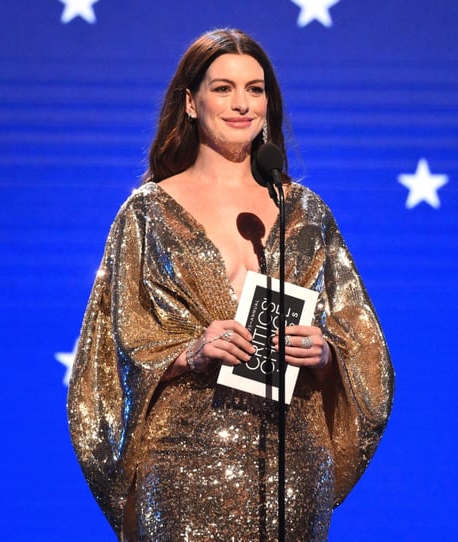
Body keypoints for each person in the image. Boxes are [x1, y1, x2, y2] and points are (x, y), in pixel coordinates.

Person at [67, 28, 394, 541]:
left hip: (293, 462)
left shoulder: (306, 213)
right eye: (223, 88)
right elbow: (110, 353)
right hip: (182, 464)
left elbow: (365, 347)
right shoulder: (147, 213)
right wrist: (191, 352)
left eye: (255, 89)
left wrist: (327, 354)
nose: (242, 104)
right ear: (191, 103)